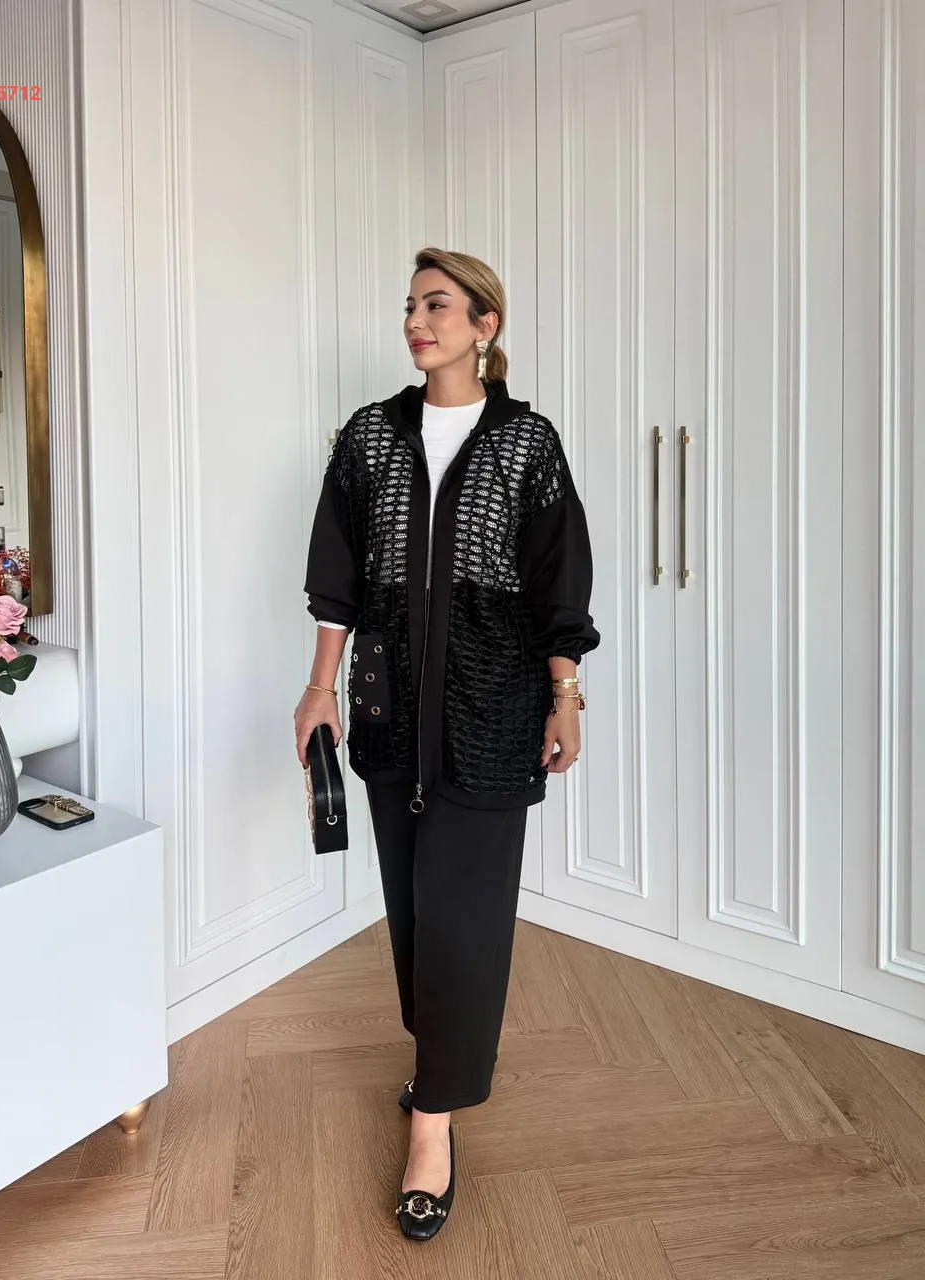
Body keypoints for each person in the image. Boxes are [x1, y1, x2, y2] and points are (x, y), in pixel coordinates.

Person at [296, 247, 599, 1241]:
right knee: (414, 909)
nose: (417, 322)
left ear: (484, 324)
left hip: (493, 705)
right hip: (390, 706)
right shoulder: (371, 437)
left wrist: (566, 695)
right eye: (410, 306)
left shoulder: (525, 443)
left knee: (465, 915)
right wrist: (319, 688)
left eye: (438, 305)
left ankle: (435, 1122)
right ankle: (440, 1058)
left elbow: (559, 580)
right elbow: (338, 575)